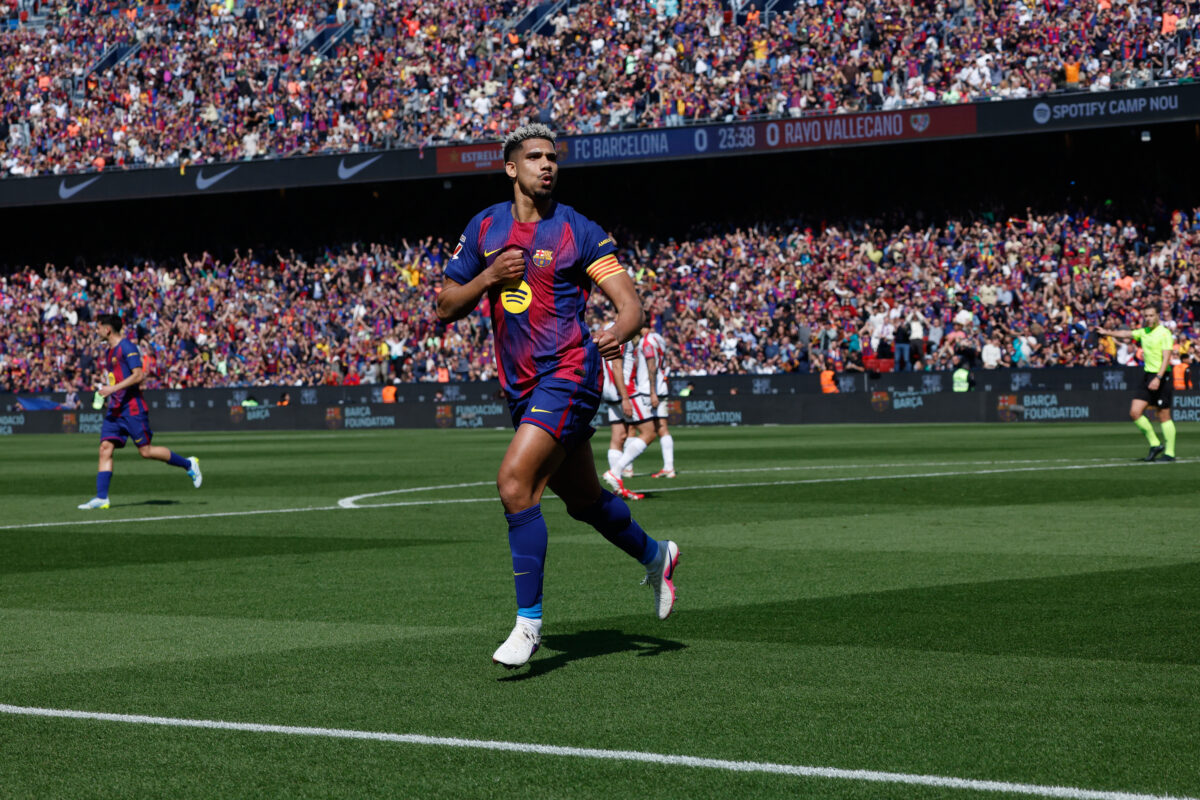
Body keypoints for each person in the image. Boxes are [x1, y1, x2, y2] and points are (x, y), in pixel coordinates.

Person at [435, 124, 679, 669]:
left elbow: (631, 305)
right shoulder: (485, 227)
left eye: (552, 157)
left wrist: (619, 330)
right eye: (534, 157)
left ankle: (528, 625)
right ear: (511, 168)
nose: (547, 165)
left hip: (571, 374)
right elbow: (446, 305)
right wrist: (487, 277)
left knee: (514, 483)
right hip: (521, 387)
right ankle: (656, 554)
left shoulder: (577, 229)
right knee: (584, 501)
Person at [77, 314, 202, 510]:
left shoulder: (127, 347)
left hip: (132, 408)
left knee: (146, 451)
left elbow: (138, 375)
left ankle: (188, 464)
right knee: (105, 448)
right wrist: (106, 391)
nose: (96, 331)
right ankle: (102, 497)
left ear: (107, 329)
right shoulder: (109, 351)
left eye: (98, 327)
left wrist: (112, 389)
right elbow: (117, 377)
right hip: (116, 408)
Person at [1097, 304, 1177, 462]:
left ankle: (1170, 453)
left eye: (1151, 315)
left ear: (1157, 316)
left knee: (1164, 415)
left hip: (1162, 376)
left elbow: (1166, 358)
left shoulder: (1164, 333)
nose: (1148, 318)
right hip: (1148, 376)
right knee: (1135, 412)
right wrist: (1107, 332)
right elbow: (1126, 333)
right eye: (1146, 316)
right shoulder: (1143, 332)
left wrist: (1158, 377)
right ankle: (1155, 444)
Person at [598, 322, 642, 499]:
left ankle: (617, 486)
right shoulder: (621, 331)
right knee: (649, 431)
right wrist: (625, 397)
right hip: (620, 390)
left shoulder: (605, 330)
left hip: (608, 390)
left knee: (618, 436)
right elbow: (617, 366)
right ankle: (616, 472)